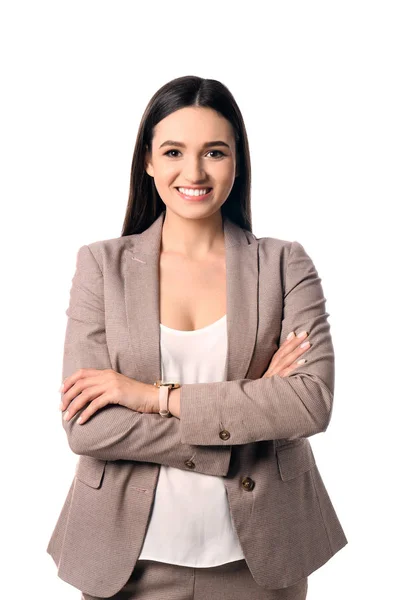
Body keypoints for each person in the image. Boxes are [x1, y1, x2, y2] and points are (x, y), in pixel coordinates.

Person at [46, 75, 348, 600]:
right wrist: (247, 413)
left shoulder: (284, 264)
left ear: (237, 160)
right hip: (127, 560)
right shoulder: (101, 266)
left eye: (214, 152)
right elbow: (87, 430)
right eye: (173, 151)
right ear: (148, 161)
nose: (194, 172)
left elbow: (308, 402)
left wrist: (148, 397)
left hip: (261, 558)